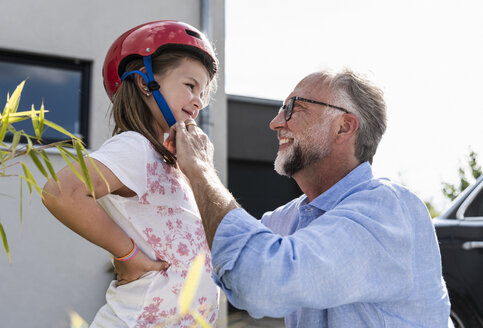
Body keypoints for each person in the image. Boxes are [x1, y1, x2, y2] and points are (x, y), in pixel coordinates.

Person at [162, 69, 453, 327]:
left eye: (294, 109)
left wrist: (200, 169)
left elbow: (261, 280)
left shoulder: (388, 210)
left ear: (344, 126)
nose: (275, 123)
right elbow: (221, 254)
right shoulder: (288, 218)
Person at [42, 20, 219, 328]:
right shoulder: (135, 146)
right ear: (143, 81)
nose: (199, 100)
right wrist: (128, 255)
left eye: (203, 92)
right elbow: (61, 192)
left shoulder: (169, 162)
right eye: (190, 86)